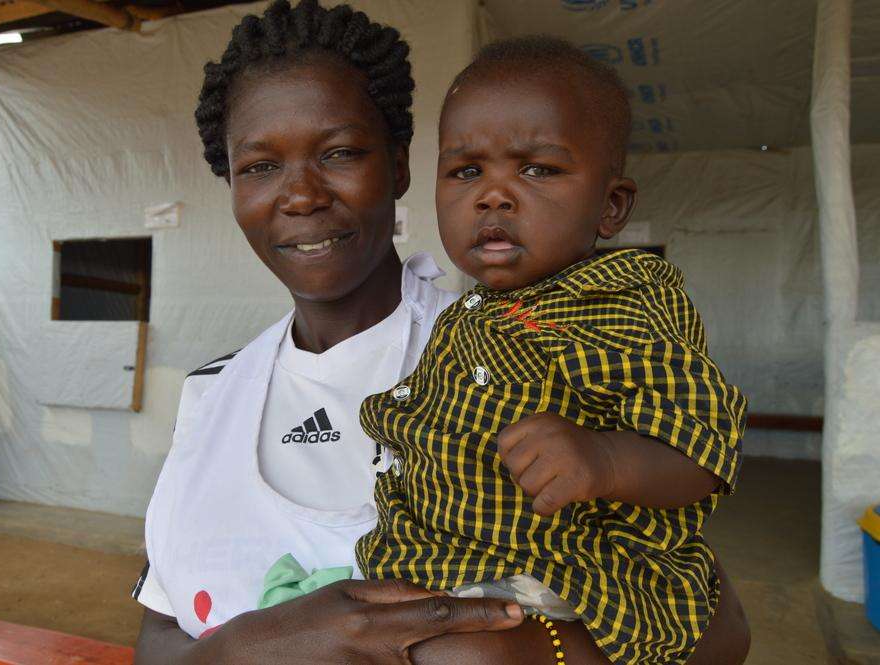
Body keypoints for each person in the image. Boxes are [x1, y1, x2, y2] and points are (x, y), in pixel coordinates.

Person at [132, 2, 750, 663]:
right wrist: (259, 643)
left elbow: (717, 625)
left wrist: (513, 651)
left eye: (339, 153)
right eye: (258, 166)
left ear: (398, 168)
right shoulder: (212, 393)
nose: (302, 195)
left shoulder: (504, 357)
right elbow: (158, 641)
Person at [356, 36, 747, 664]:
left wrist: (605, 458)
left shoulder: (626, 298)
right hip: (443, 552)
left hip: (575, 567)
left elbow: (703, 447)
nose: (493, 195)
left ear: (611, 206)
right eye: (466, 171)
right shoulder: (465, 314)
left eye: (538, 169)